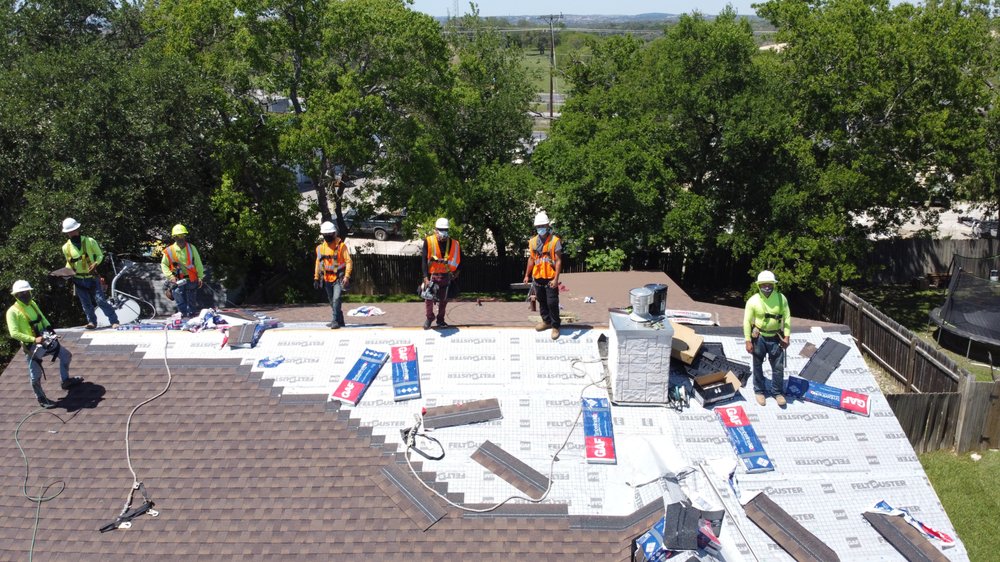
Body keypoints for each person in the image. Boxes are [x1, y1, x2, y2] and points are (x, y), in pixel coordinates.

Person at [6, 280, 81, 408]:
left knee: (66, 355)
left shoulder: (33, 304)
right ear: (16, 295)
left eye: (27, 292)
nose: (25, 295)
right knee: (35, 375)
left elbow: (42, 317)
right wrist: (33, 339)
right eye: (22, 293)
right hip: (33, 346)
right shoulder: (12, 312)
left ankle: (65, 381)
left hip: (46, 340)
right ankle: (41, 398)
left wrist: (50, 329)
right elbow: (14, 333)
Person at [60, 217, 120, 329]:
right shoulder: (66, 247)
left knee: (100, 300)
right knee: (86, 303)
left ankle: (114, 321)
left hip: (91, 277)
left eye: (73, 231)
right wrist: (64, 273)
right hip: (77, 278)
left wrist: (96, 264)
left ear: (78, 229)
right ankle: (92, 322)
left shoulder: (90, 241)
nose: (71, 233)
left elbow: (100, 255)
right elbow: (69, 264)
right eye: (69, 232)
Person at [743, 270, 791, 407]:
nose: (767, 288)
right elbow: (746, 321)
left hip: (776, 337)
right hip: (759, 338)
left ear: (773, 285)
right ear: (759, 285)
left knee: (778, 366)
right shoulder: (753, 301)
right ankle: (759, 391)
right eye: (764, 285)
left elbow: (787, 319)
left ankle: (777, 392)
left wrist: (786, 337)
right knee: (757, 364)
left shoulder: (781, 299)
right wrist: (747, 340)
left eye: (769, 285)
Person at [523, 211, 563, 340]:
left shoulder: (555, 241)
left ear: (547, 225)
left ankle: (555, 325)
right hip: (538, 278)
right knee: (542, 301)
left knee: (552, 302)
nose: (540, 229)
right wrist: (527, 275)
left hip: (551, 278)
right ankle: (546, 321)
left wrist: (556, 279)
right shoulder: (533, 242)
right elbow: (531, 259)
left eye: (542, 226)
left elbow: (558, 260)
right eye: (538, 227)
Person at [421, 217, 460, 329]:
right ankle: (429, 317)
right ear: (435, 230)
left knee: (443, 300)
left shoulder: (454, 243)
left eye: (446, 229)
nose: (444, 232)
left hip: (446, 276)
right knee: (428, 298)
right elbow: (424, 260)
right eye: (441, 229)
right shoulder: (429, 241)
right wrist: (425, 277)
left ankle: (440, 320)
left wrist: (457, 272)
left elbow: (462, 259)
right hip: (432, 276)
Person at [314, 221, 352, 329]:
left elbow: (348, 261)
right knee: (332, 301)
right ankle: (340, 320)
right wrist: (316, 278)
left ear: (334, 233)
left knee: (336, 299)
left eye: (329, 234)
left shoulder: (341, 246)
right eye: (325, 235)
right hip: (326, 279)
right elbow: (318, 263)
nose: (327, 237)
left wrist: (347, 276)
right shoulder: (320, 248)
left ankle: (334, 320)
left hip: (338, 278)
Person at [160, 224, 204, 318]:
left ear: (185, 236)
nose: (180, 238)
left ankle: (191, 317)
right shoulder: (169, 251)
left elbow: (198, 263)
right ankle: (184, 317)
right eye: (178, 236)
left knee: (191, 301)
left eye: (182, 235)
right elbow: (164, 264)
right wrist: (170, 276)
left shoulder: (191, 248)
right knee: (180, 301)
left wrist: (200, 277)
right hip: (177, 280)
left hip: (191, 279)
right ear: (174, 237)